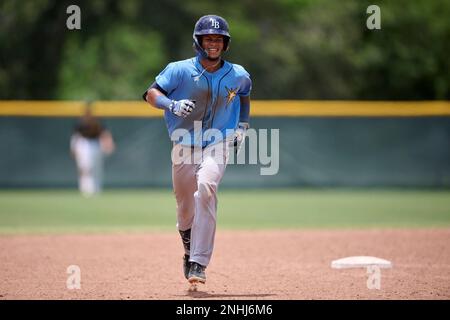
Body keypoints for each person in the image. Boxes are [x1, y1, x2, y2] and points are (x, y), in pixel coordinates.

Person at [143, 15, 252, 288]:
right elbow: (151, 93)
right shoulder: (179, 69)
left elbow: (245, 94)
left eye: (218, 39)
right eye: (208, 38)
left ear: (225, 43)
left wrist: (242, 126)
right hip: (184, 143)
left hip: (218, 142)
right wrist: (172, 104)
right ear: (198, 42)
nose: (213, 43)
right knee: (184, 205)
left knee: (206, 186)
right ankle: (189, 249)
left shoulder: (238, 74)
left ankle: (199, 262)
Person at [70, 106, 115, 197]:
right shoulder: (81, 123)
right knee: (84, 167)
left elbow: (104, 134)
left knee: (96, 168)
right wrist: (73, 148)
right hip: (84, 144)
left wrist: (109, 144)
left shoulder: (97, 122)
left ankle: (96, 188)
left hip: (95, 143)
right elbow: (76, 137)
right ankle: (85, 189)